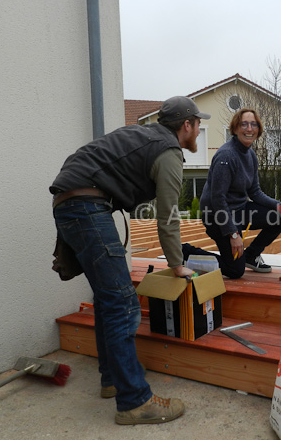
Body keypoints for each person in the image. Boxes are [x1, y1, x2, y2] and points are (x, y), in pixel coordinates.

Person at [50, 96, 210, 425]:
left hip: (73, 202)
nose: (198, 131)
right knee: (123, 303)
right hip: (86, 205)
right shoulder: (168, 152)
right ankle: (134, 401)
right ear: (187, 126)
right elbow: (168, 218)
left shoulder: (146, 137)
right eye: (197, 125)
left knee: (109, 299)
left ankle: (113, 378)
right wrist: (178, 264)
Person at [182, 108, 281, 279]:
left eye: (253, 124)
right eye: (244, 124)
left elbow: (255, 192)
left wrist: (278, 206)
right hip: (218, 217)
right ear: (235, 129)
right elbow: (217, 199)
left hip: (238, 210)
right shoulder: (226, 156)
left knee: (279, 217)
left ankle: (251, 255)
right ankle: (184, 251)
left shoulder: (250, 155)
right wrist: (233, 233)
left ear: (258, 130)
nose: (249, 129)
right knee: (235, 270)